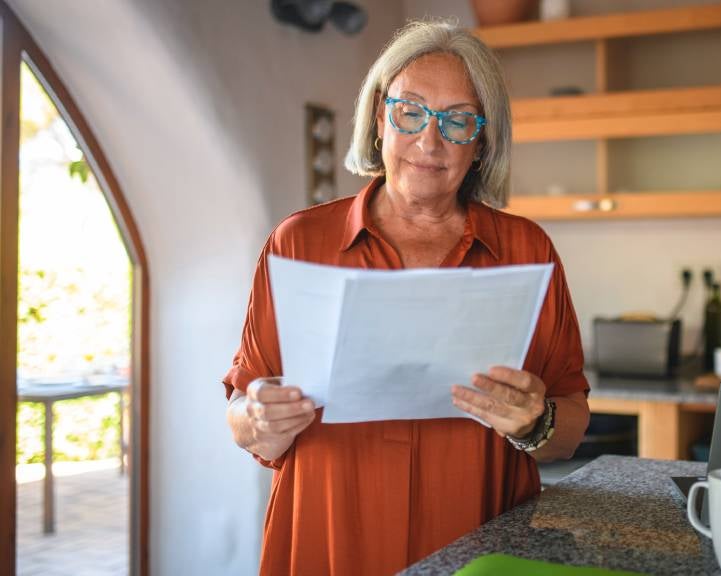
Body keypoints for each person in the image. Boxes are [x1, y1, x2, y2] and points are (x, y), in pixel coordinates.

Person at [223, 19, 591, 576]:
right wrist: (257, 419)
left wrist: (534, 421)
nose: (429, 141)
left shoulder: (528, 249)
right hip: (330, 539)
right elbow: (241, 406)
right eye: (410, 111)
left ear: (483, 140)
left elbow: (570, 426)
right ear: (378, 117)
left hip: (480, 545)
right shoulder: (297, 243)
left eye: (458, 120)